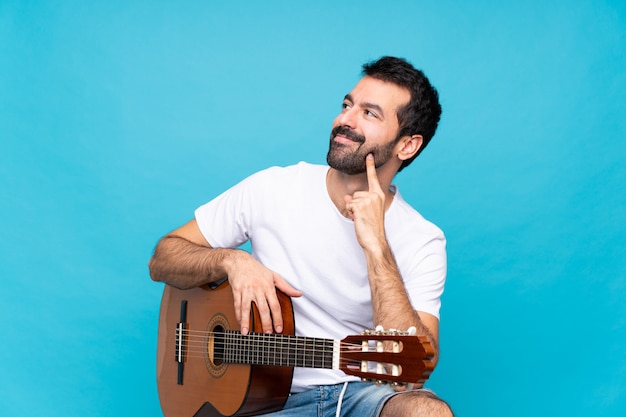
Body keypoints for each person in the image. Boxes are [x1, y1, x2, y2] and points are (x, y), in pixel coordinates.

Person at [149, 56, 453, 417]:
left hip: (355, 397)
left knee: (426, 412)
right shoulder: (274, 187)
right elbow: (163, 257)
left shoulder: (423, 239)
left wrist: (376, 245)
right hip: (254, 399)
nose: (345, 120)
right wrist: (231, 260)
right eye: (346, 105)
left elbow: (414, 367)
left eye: (369, 114)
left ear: (407, 145)